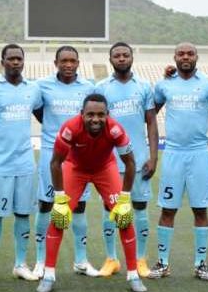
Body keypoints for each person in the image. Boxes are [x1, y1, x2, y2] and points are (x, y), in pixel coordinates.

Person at [36, 93, 147, 292]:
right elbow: (55, 163)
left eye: (100, 115)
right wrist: (60, 198)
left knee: (123, 217)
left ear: (107, 114)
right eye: (90, 115)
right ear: (82, 114)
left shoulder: (115, 130)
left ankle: (133, 275)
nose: (95, 119)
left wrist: (125, 198)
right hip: (75, 168)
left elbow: (130, 163)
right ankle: (49, 275)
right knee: (59, 217)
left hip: (105, 168)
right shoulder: (70, 128)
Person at [149, 42, 208, 281]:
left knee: (200, 210)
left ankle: (201, 264)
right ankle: (162, 263)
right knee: (167, 209)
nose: (185, 57)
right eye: (181, 53)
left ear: (197, 57)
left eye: (190, 53)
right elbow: (149, 114)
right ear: (174, 57)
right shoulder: (164, 84)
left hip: (199, 154)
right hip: (173, 154)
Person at [0, 44, 42, 283]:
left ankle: (20, 264)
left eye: (19, 59)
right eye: (11, 58)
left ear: (24, 61)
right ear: (3, 61)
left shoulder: (33, 90)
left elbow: (42, 114)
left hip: (25, 162)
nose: (15, 62)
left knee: (23, 215)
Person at [31, 46, 97, 278]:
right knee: (47, 204)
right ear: (55, 62)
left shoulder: (89, 87)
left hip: (80, 155)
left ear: (78, 63)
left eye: (72, 61)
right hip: (53, 154)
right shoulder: (42, 86)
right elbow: (38, 112)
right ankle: (40, 260)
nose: (68, 65)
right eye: (64, 61)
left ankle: (81, 260)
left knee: (79, 206)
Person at [94, 42, 158, 277]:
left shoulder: (143, 87)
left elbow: (151, 122)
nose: (121, 58)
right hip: (109, 163)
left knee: (140, 208)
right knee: (109, 209)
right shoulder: (101, 88)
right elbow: (96, 126)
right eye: (117, 55)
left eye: (125, 55)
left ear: (132, 57)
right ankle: (111, 259)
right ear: (110, 59)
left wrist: (153, 156)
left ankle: (140, 259)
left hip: (139, 161)